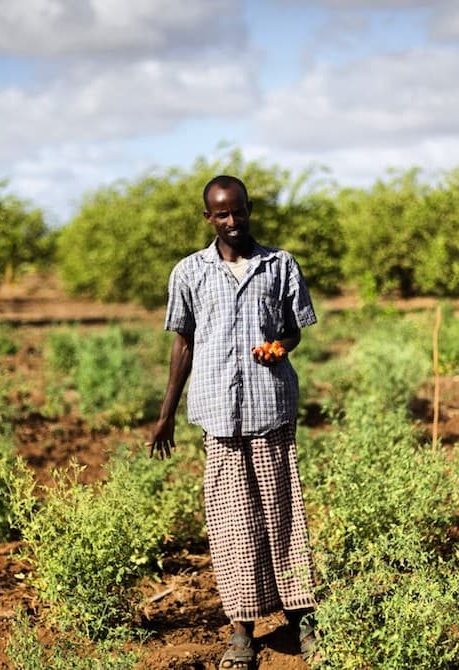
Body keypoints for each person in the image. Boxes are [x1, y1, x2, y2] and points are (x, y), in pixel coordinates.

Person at [147, 175, 319, 669]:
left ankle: (301, 621)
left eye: (237, 211)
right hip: (218, 416)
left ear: (249, 210)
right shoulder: (189, 272)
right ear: (208, 218)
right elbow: (182, 344)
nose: (231, 221)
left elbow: (292, 331)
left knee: (284, 517)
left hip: (271, 407)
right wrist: (166, 416)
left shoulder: (279, 264)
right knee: (231, 526)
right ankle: (242, 633)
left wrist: (280, 347)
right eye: (221, 214)